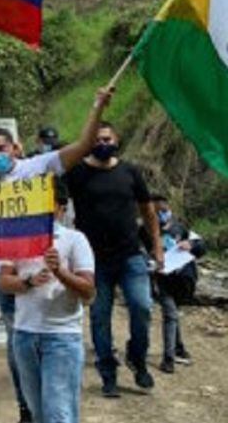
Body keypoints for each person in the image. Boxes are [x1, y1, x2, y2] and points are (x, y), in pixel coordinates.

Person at [0, 87, 113, 414]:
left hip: (43, 273)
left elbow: (83, 146)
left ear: (15, 148)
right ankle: (27, 410)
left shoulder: (37, 167)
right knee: (20, 352)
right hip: (7, 276)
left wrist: (98, 105)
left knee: (38, 348)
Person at [65, 121, 162, 397]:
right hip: (92, 261)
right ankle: (108, 373)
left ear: (116, 139)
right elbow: (56, 202)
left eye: (107, 139)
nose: (102, 143)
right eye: (96, 139)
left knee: (142, 307)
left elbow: (148, 211)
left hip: (131, 255)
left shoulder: (130, 172)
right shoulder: (77, 173)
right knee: (99, 317)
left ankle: (137, 358)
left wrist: (157, 246)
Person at [0, 188, 95, 423]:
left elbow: (88, 291)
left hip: (61, 337)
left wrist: (60, 272)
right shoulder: (16, 239)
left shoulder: (75, 240)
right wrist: (29, 281)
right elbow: (4, 282)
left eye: (46, 202)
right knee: (38, 413)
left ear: (60, 207)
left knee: (58, 414)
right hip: (25, 336)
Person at [142, 195, 204, 373]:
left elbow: (201, 247)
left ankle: (179, 347)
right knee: (170, 314)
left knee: (174, 313)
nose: (162, 214)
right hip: (162, 279)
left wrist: (191, 245)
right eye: (157, 212)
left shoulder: (181, 227)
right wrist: (150, 261)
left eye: (164, 210)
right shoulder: (144, 231)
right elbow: (139, 253)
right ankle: (168, 358)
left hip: (184, 279)